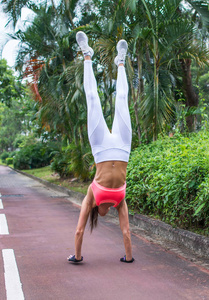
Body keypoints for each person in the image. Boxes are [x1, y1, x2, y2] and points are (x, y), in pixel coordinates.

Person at [67, 31, 134, 264]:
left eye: (102, 214)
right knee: (122, 99)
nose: (106, 214)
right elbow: (126, 232)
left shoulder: (91, 196)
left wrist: (77, 257)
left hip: (101, 149)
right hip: (123, 149)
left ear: (97, 211)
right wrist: (128, 258)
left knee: (92, 99)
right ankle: (121, 61)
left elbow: (78, 231)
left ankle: (87, 55)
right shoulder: (120, 200)